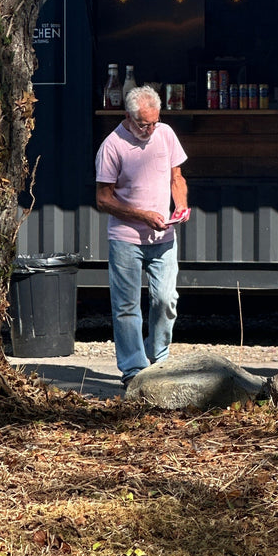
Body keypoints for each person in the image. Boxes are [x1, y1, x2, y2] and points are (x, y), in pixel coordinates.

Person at [95, 84, 189, 388]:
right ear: (127, 116)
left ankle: (158, 357)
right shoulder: (112, 145)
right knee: (126, 306)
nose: (149, 129)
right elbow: (103, 199)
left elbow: (177, 177)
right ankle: (133, 370)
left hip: (163, 237)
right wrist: (143, 215)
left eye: (154, 122)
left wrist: (182, 204)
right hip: (126, 237)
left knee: (165, 299)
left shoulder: (165, 133)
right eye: (143, 124)